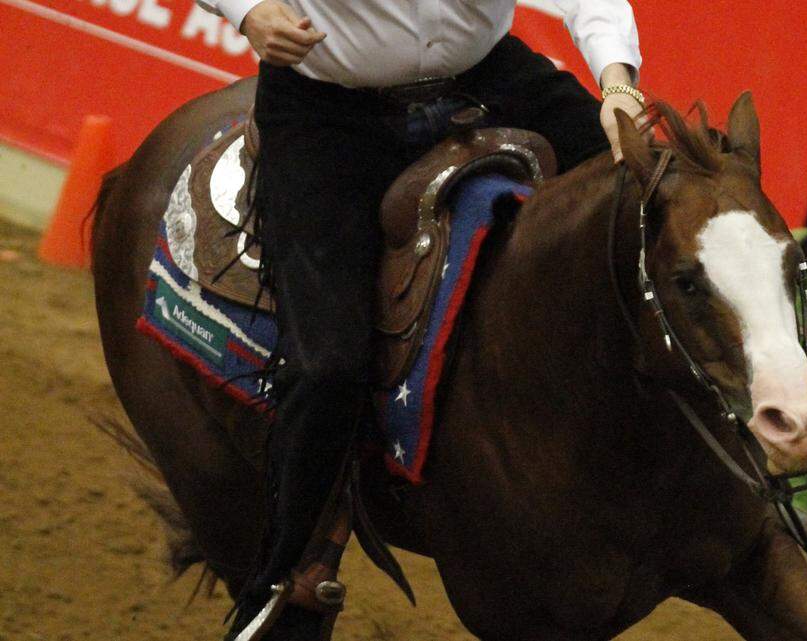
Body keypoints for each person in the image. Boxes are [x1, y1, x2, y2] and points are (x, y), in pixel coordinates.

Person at [194, 0, 647, 638]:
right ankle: (282, 575)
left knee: (649, 204)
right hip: (327, 113)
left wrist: (618, 85)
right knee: (326, 365)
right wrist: (249, 12)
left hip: (487, 79)